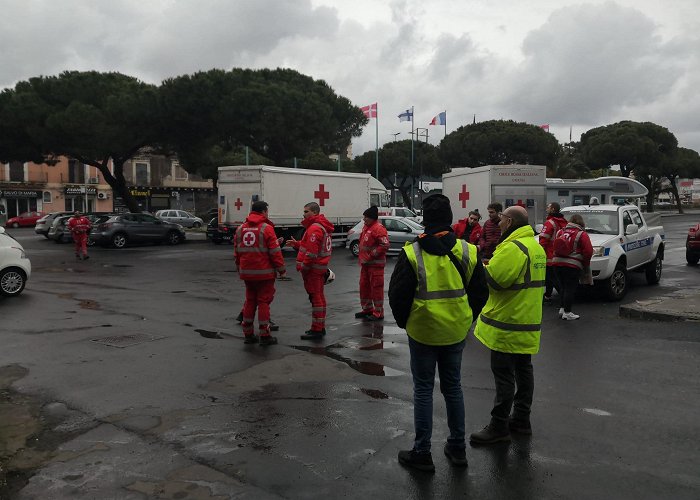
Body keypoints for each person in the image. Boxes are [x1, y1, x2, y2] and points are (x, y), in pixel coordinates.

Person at [389, 194, 488, 472]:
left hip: (422, 332)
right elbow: (480, 292)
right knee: (453, 387)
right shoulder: (468, 250)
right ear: (448, 217)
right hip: (455, 331)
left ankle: (422, 452)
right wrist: (467, 317)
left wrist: (404, 322)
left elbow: (398, 295)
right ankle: (457, 449)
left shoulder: (412, 252)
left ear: (425, 218)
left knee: (423, 389)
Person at [469, 205, 546, 445]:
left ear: (510, 222)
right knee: (524, 371)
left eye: (502, 218)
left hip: (507, 323)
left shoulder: (513, 248)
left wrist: (480, 266)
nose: (499, 222)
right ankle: (521, 420)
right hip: (527, 322)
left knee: (504, 376)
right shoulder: (535, 246)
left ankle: (499, 426)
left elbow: (494, 281)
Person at [234, 201, 287, 345]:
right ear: (263, 212)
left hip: (247, 273)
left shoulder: (240, 229)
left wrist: (240, 268)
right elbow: (275, 253)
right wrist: (282, 270)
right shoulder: (266, 228)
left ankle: (248, 334)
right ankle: (265, 335)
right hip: (264, 274)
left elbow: (237, 253)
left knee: (250, 301)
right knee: (264, 302)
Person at [286, 202, 334, 340]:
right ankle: (319, 327)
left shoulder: (314, 228)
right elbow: (311, 246)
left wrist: (304, 268)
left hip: (313, 270)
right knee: (318, 298)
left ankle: (317, 329)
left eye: (306, 211)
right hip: (319, 269)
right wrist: (297, 244)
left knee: (316, 299)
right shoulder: (319, 227)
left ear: (314, 212)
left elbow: (312, 253)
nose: (304, 214)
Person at [552, 213, 594, 320]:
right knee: (570, 288)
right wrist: (585, 264)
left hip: (556, 263)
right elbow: (588, 251)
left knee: (562, 287)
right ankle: (567, 312)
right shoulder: (581, 234)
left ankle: (562, 308)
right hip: (572, 265)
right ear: (581, 223)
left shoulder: (560, 231)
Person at [355, 206, 390, 321]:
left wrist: (370, 256)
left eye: (366, 217)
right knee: (364, 287)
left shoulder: (378, 229)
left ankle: (378, 312)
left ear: (372, 218)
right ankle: (367, 309)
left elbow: (384, 245)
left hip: (375, 266)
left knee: (376, 289)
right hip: (365, 265)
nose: (364, 219)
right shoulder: (367, 227)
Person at [538, 202, 568, 302]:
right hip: (560, 255)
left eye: (548, 207)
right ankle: (548, 294)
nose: (547, 208)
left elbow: (543, 239)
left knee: (552, 278)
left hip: (550, 255)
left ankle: (564, 298)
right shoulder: (564, 222)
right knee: (552, 278)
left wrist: (539, 251)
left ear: (553, 209)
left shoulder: (549, 222)